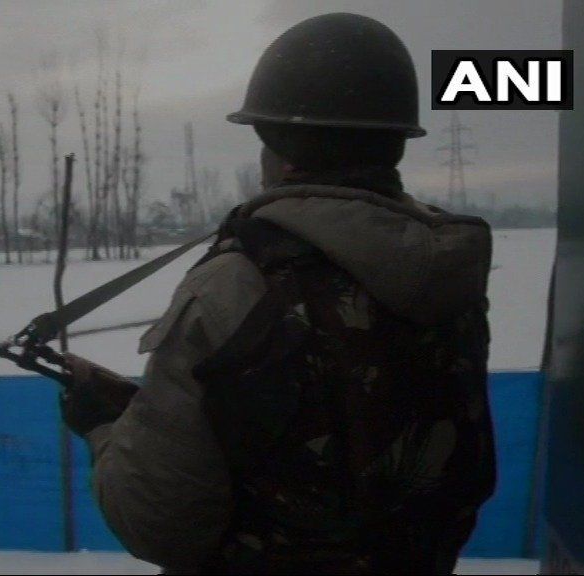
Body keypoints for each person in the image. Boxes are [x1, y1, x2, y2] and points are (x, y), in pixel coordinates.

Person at [60, 13, 496, 574]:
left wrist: (104, 428)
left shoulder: (238, 283)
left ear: (281, 154)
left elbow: (160, 525)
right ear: (395, 145)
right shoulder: (447, 270)